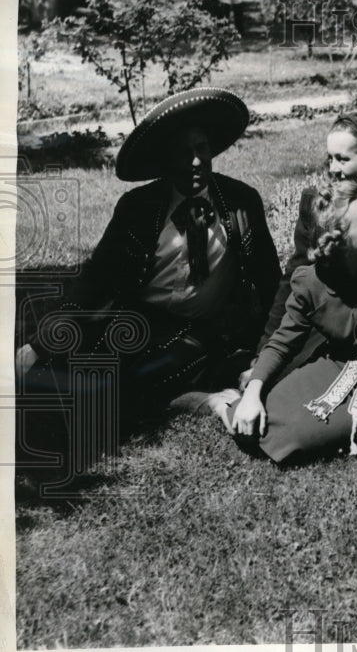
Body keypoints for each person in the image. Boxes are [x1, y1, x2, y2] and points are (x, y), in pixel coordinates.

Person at [15, 88, 281, 483]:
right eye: (182, 152)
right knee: (61, 372)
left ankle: (196, 399)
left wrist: (264, 355)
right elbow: (96, 281)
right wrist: (40, 343)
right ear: (162, 160)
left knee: (128, 384)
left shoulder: (241, 203)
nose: (195, 161)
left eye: (202, 148)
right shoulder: (139, 209)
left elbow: (271, 281)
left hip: (201, 331)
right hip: (137, 319)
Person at [220, 180, 357, 463]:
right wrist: (252, 393)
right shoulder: (310, 283)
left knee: (297, 436)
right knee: (255, 417)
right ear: (341, 242)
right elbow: (282, 343)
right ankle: (224, 404)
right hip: (338, 366)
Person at [256, 112, 357, 353]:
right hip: (323, 323)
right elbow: (294, 278)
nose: (334, 169)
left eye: (343, 159)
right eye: (330, 159)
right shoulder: (318, 206)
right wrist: (264, 346)